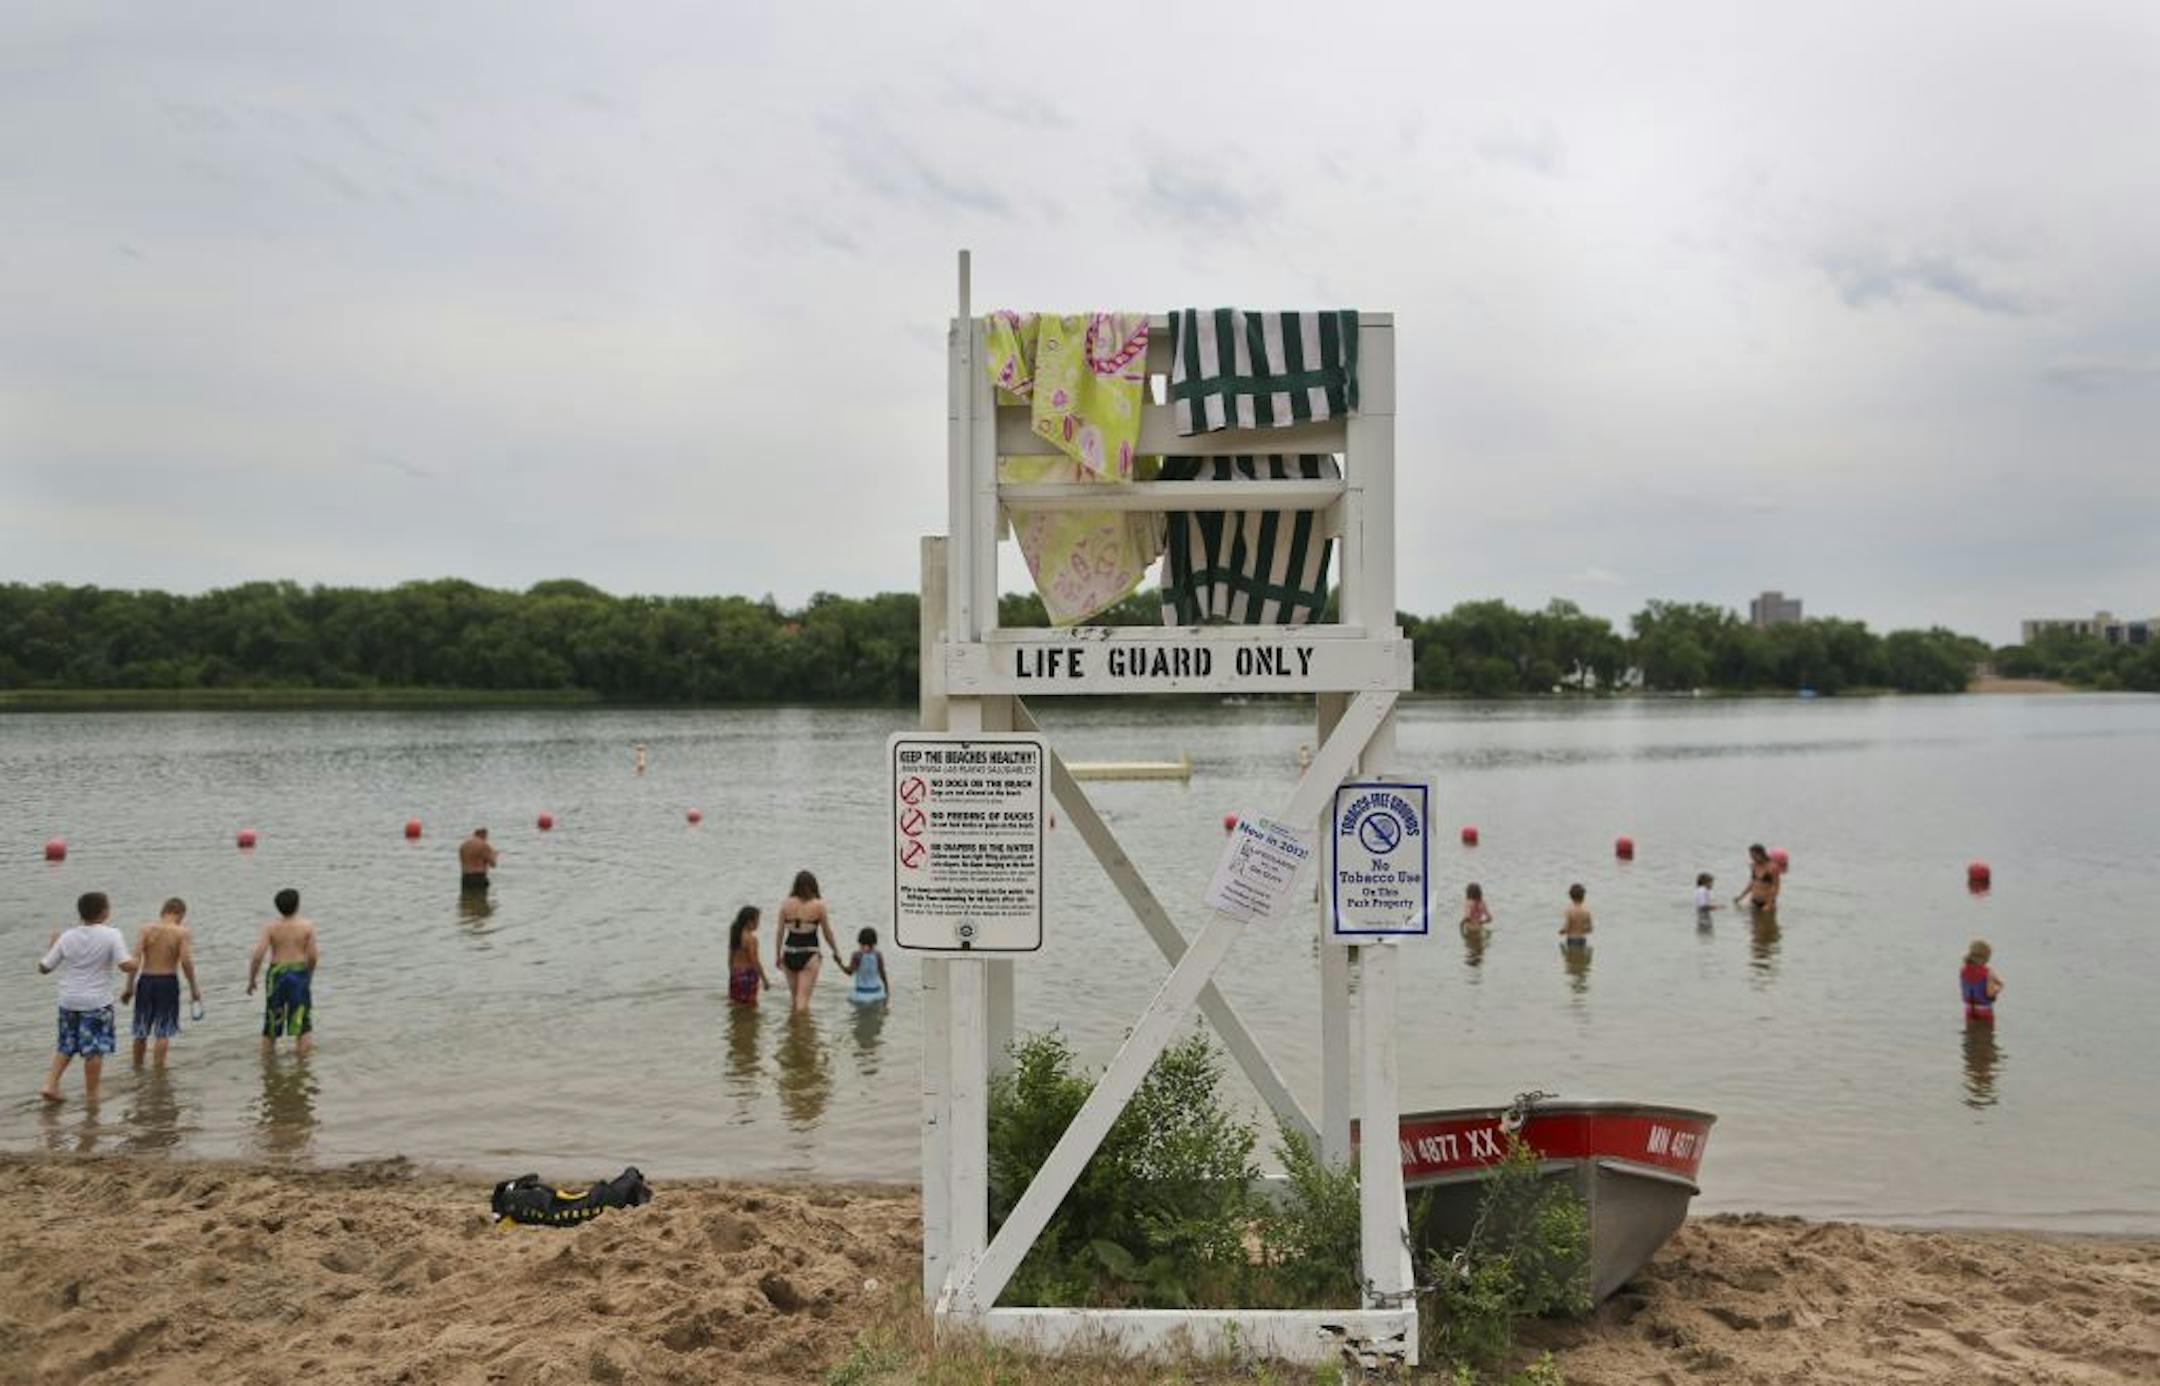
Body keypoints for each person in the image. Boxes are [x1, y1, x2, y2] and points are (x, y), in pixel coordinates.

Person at [38, 892, 137, 1103]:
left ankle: (50, 1084)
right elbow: (124, 965)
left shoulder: (67, 936)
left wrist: (52, 946)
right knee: (94, 1050)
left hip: (68, 1000)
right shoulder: (112, 934)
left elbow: (44, 968)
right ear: (104, 912)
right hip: (96, 1002)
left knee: (66, 1044)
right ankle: (92, 1096)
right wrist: (139, 960)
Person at [121, 897, 201, 1068]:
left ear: (163, 911)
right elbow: (186, 961)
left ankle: (137, 1068)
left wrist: (129, 987)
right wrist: (194, 987)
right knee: (162, 1031)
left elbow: (135, 959)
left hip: (146, 981)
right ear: (180, 914)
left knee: (141, 1030)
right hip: (167, 982)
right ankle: (159, 1070)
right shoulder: (181, 932)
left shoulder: (146, 929)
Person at [248, 888, 320, 1055]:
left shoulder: (271, 927)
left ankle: (268, 1063)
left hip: (276, 974)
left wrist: (252, 979)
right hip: (299, 973)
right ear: (297, 905)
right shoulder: (307, 927)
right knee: (302, 1022)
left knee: (272, 1020)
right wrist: (309, 976)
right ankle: (302, 1066)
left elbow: (258, 955)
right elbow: (313, 956)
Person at [777, 870, 841, 1014]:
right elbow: (827, 933)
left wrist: (777, 955)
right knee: (803, 1001)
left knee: (795, 1000)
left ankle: (793, 1032)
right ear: (813, 886)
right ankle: (802, 1034)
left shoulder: (786, 904)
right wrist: (836, 951)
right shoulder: (818, 906)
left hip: (789, 953)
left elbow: (780, 932)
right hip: (809, 954)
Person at [727, 906, 774, 1005]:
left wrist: (732, 973)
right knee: (750, 1005)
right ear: (749, 922)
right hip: (748, 975)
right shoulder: (751, 939)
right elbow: (754, 960)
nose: (758, 923)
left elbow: (730, 958)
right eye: (757, 920)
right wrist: (764, 980)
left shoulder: (735, 936)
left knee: (736, 1003)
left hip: (736, 973)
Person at [841, 927, 890, 1006]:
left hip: (860, 994)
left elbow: (849, 972)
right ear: (875, 942)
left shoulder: (857, 955)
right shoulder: (878, 955)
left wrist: (839, 963)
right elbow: (882, 973)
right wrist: (887, 990)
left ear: (859, 941)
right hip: (877, 993)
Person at [1961, 940, 2003, 1023]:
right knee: (1987, 1035)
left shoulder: (1963, 970)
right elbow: (1990, 993)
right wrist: (1999, 989)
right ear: (1986, 957)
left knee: (1970, 1034)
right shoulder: (1987, 972)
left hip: (1969, 1009)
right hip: (1984, 1010)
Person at [1734, 844, 1780, 912]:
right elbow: (1752, 883)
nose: (1752, 858)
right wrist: (1741, 897)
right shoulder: (1753, 866)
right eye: (1751, 856)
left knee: (1768, 922)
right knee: (1753, 922)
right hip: (1754, 901)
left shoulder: (1772, 867)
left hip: (1767, 903)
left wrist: (1768, 904)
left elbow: (1775, 887)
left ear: (1761, 854)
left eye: (1754, 856)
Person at [459, 828, 499, 894]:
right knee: (481, 900)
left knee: (467, 899)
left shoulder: (464, 845)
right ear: (483, 835)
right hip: (478, 876)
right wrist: (494, 855)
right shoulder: (483, 845)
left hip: (465, 877)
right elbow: (493, 864)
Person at [1559, 883, 1593, 948]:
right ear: (1583, 897)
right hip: (1582, 939)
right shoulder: (1587, 912)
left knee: (1571, 957)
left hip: (1571, 939)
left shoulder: (1569, 911)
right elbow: (1590, 929)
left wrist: (1562, 931)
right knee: (1582, 957)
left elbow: (1566, 927)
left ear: (1570, 897)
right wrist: (1583, 929)